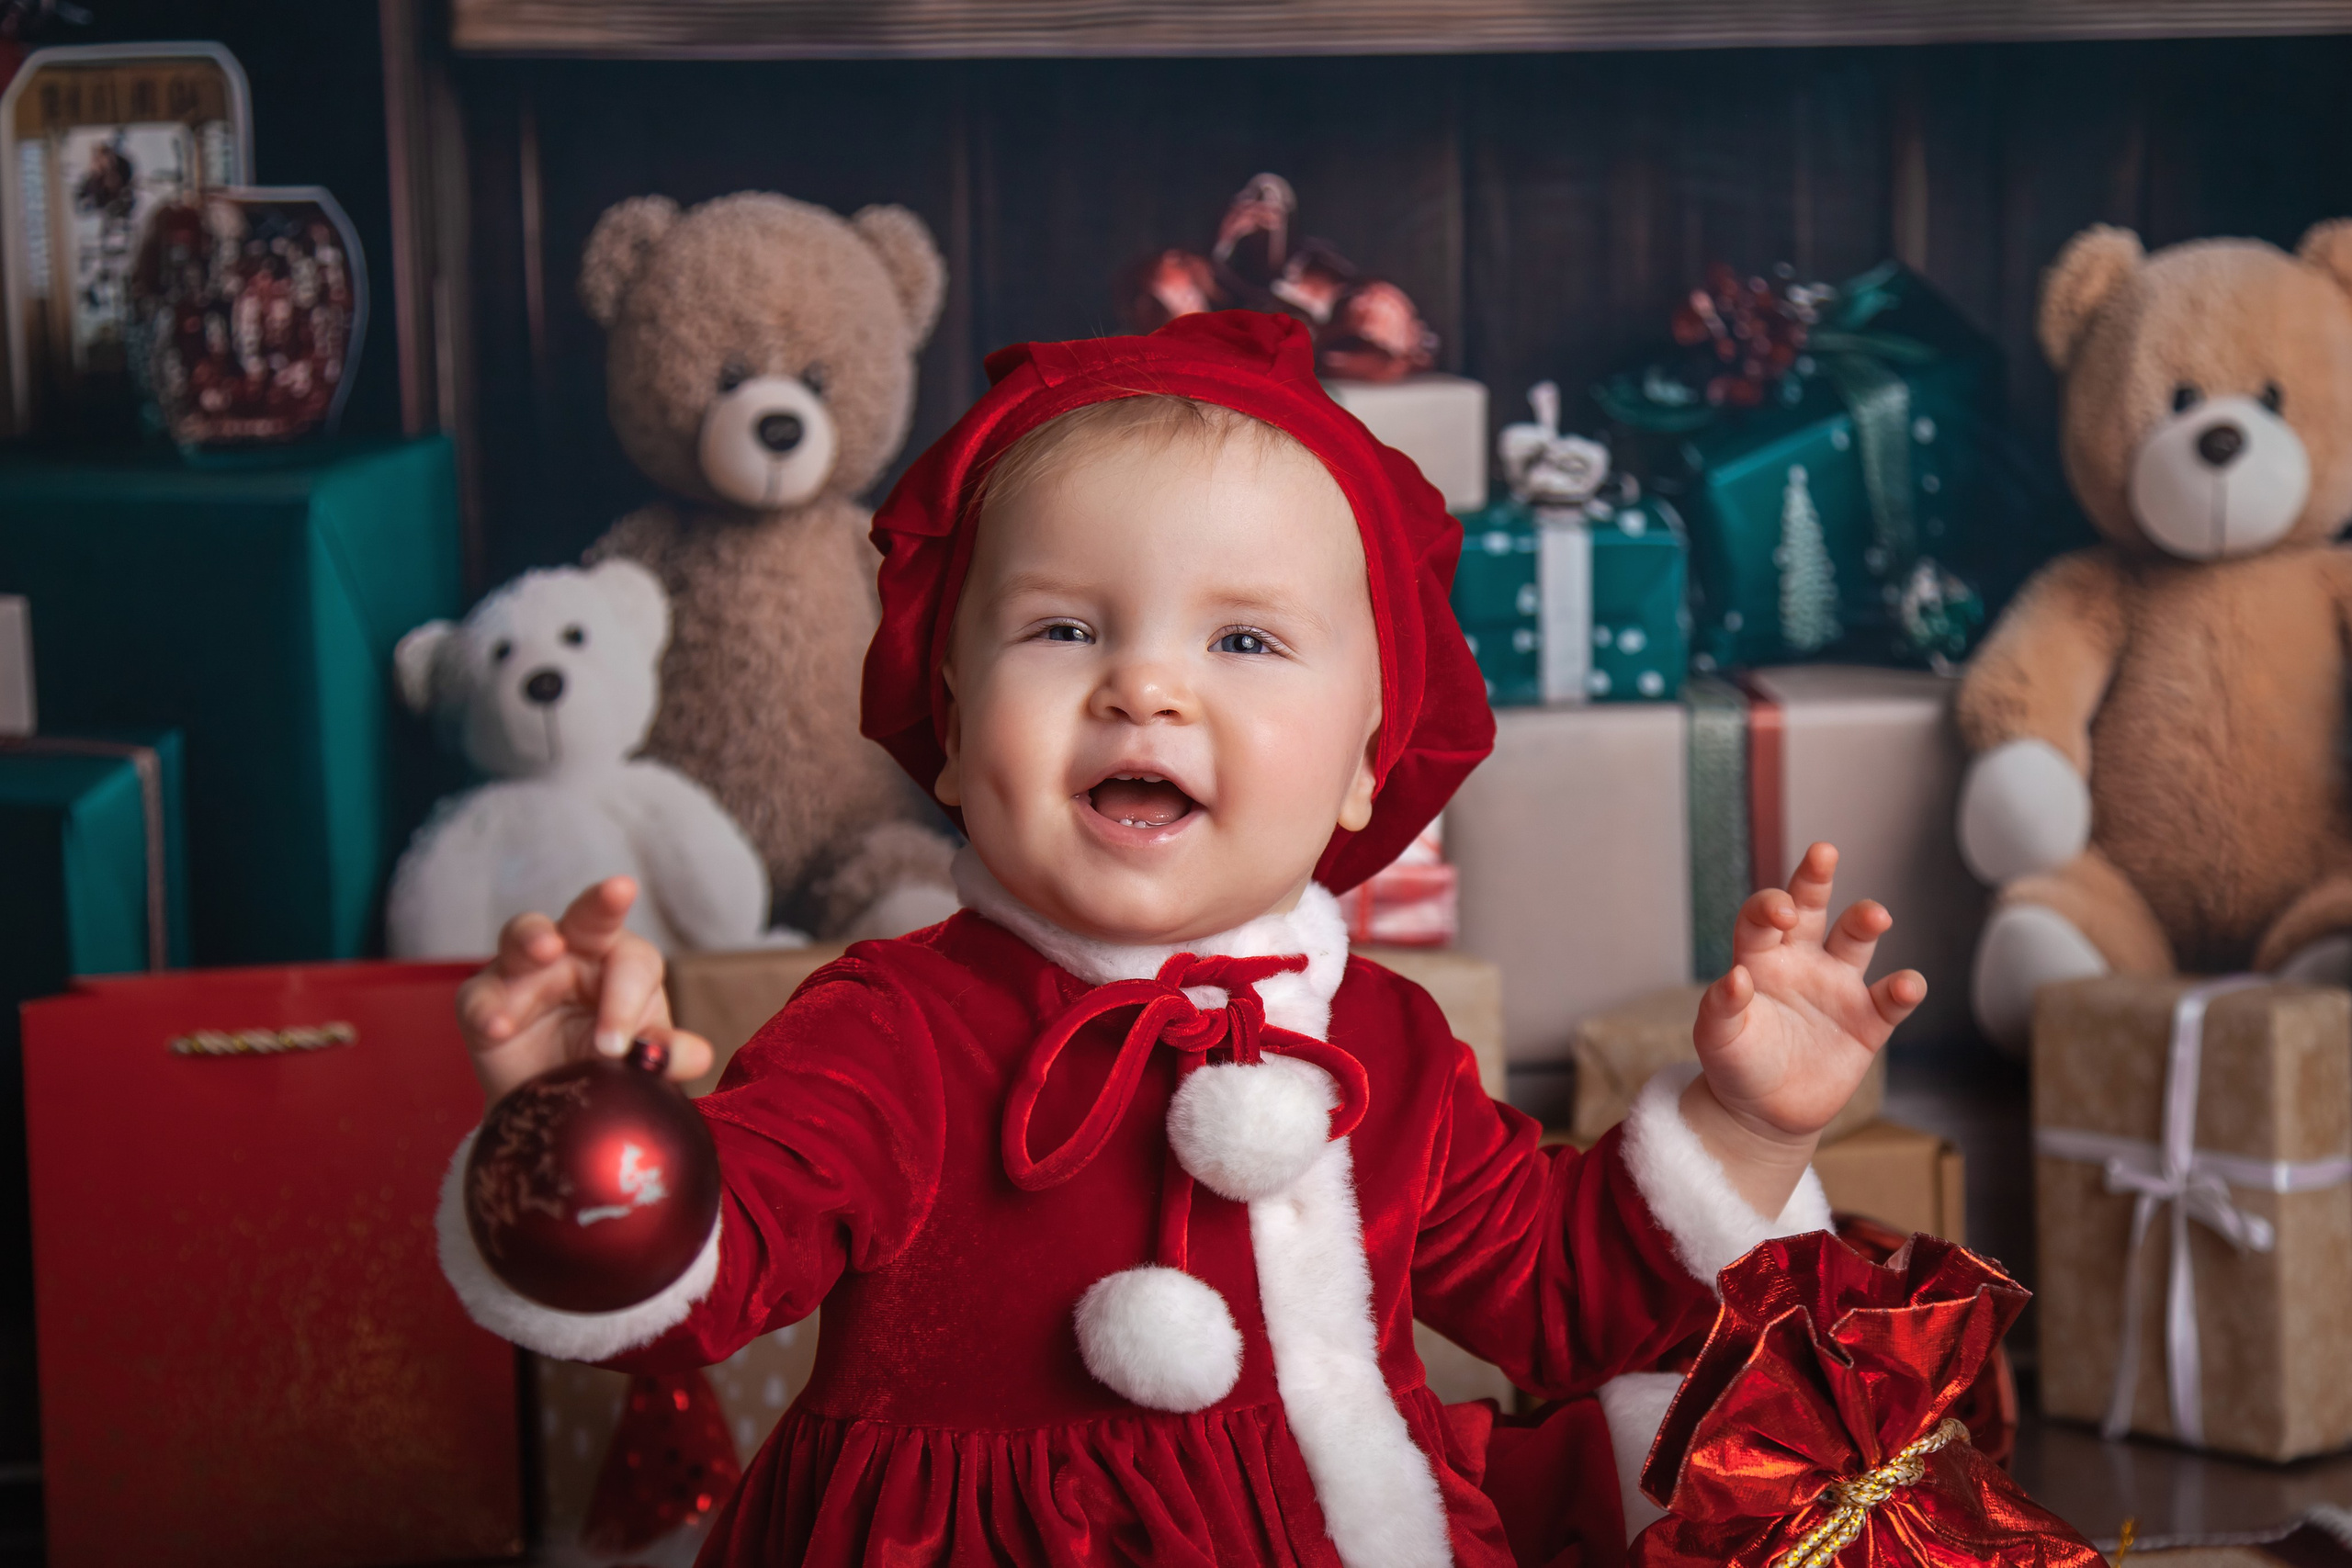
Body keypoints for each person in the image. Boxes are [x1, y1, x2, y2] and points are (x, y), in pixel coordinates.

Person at [437, 310, 1924, 1568]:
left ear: (1363, 764)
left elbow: (1563, 1290)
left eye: (1244, 640)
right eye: (1064, 631)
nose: (1144, 687)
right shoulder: (891, 1030)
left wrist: (1740, 1123)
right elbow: (725, 1254)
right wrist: (577, 1133)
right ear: (950, 737)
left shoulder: (1384, 1047)